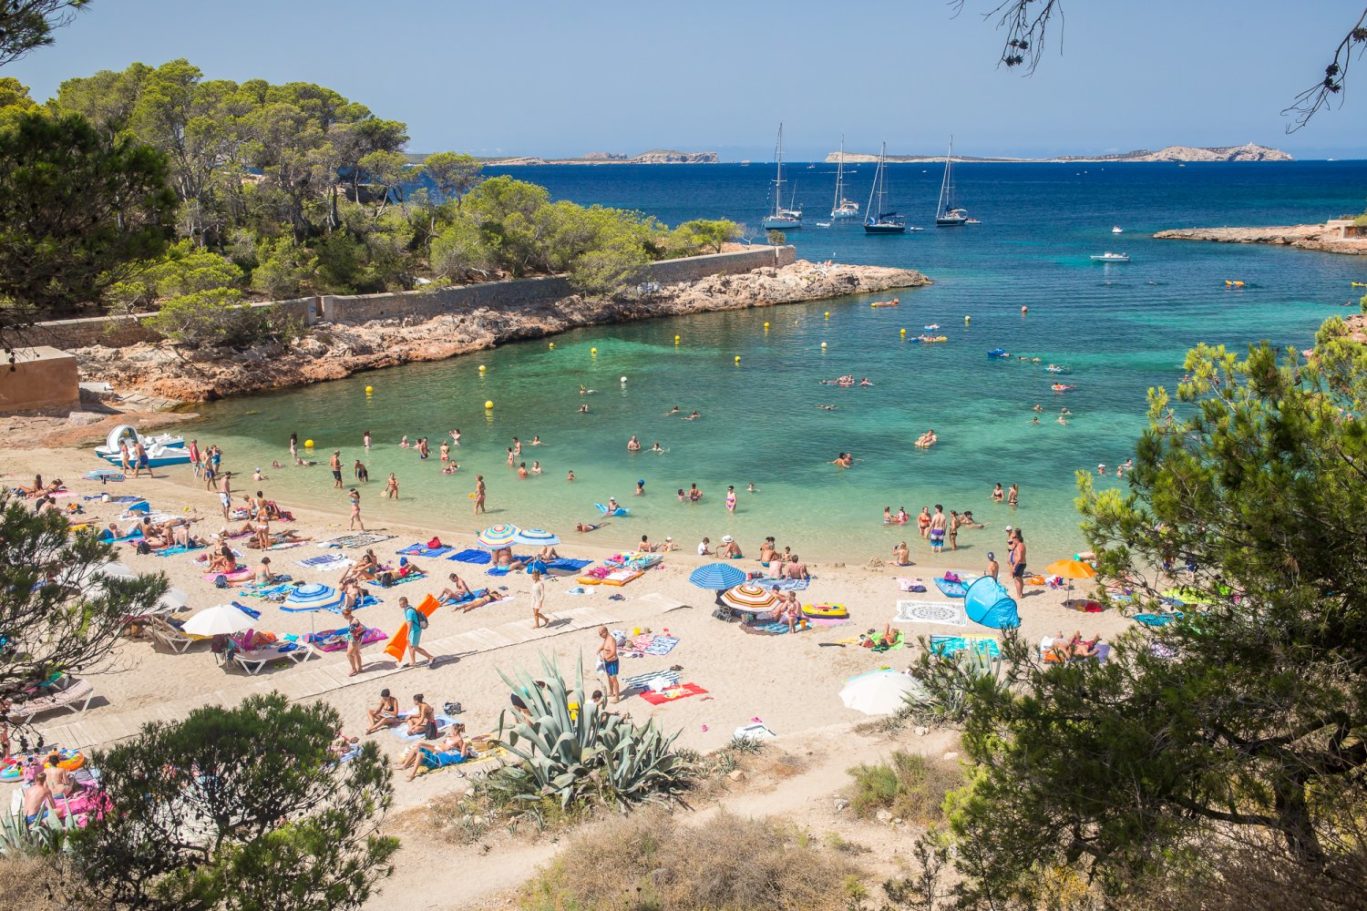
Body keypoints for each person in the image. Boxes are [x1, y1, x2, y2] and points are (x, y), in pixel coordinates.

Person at [401, 596, 434, 668]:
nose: (401, 605)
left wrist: (407, 635)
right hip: (413, 630)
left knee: (414, 647)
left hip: (415, 630)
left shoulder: (409, 611)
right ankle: (413, 662)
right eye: (400, 604)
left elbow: (410, 624)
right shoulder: (407, 608)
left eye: (402, 604)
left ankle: (430, 657)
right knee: (410, 645)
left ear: (406, 603)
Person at [597, 626, 620, 702]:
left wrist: (606, 657)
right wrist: (599, 649)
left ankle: (617, 698)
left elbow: (613, 652)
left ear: (605, 632)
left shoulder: (611, 640)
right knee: (609, 677)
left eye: (601, 634)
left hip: (612, 662)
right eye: (599, 634)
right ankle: (611, 692)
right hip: (607, 661)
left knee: (613, 679)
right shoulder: (606, 638)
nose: (600, 636)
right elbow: (604, 645)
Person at [342, 606, 365, 676]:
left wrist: (344, 637)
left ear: (346, 615)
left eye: (344, 615)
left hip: (354, 640)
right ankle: (360, 668)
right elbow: (361, 628)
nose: (343, 617)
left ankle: (353, 669)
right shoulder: (353, 618)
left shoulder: (353, 622)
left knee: (349, 654)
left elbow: (354, 633)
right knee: (356, 653)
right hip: (356, 639)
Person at [1009, 530, 1028, 599]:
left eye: (1013, 538)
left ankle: (1019, 595)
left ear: (1016, 538)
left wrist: (1014, 566)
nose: (1012, 539)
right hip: (1021, 564)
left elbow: (1019, 557)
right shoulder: (1020, 545)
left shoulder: (1019, 545)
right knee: (1019, 579)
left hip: (1019, 564)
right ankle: (1021, 593)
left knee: (1017, 580)